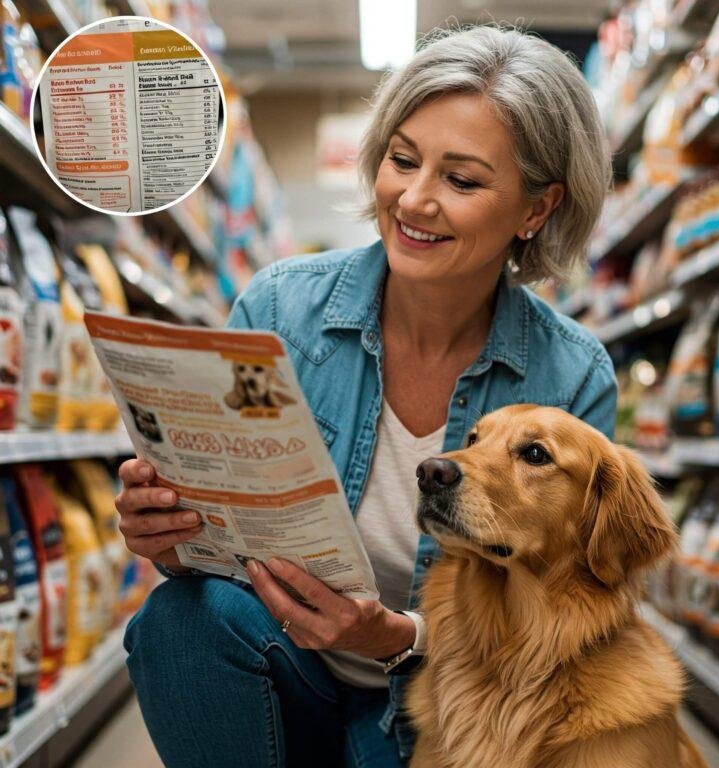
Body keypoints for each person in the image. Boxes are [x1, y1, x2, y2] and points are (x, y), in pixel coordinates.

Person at [118, 24, 617, 768]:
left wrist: (399, 637)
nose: (413, 200)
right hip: (287, 666)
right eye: (402, 160)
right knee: (179, 621)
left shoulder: (572, 378)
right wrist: (172, 532)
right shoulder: (280, 312)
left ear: (536, 210)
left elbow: (571, 607)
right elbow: (215, 552)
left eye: (462, 180)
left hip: (453, 701)